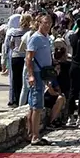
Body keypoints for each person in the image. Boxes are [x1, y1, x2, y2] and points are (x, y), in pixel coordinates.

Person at [26, 13, 54, 145]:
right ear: (39, 23)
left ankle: (32, 132)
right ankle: (35, 136)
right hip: (36, 74)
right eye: (45, 23)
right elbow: (29, 58)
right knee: (37, 106)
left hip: (43, 74)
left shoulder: (46, 38)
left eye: (49, 23)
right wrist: (31, 75)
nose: (48, 25)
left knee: (34, 105)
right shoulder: (35, 38)